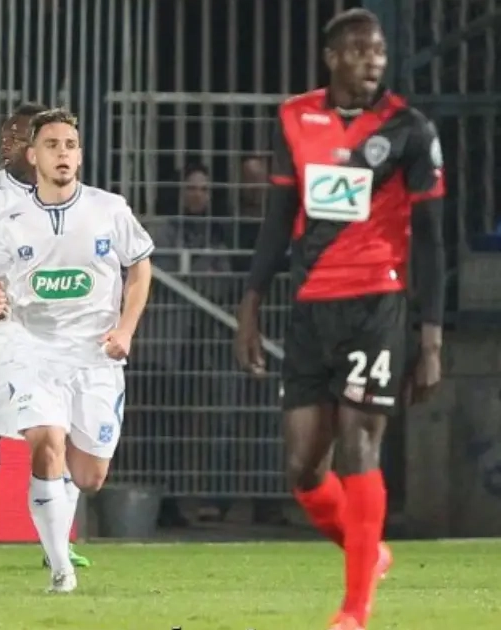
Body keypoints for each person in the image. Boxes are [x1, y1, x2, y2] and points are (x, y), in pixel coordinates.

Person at [233, 9, 445, 630]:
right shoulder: (295, 118)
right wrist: (251, 304)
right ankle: (368, 550)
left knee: (360, 444)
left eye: (378, 50)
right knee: (304, 468)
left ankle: (355, 611)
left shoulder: (409, 129)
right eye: (359, 50)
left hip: (376, 302)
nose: (373, 60)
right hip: (310, 308)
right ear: (332, 58)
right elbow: (278, 218)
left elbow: (432, 239)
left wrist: (430, 339)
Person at [0, 108, 154, 592]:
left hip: (96, 356)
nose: (63, 154)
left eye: (70, 145)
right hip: (34, 350)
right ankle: (60, 569)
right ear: (33, 156)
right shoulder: (11, 219)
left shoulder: (109, 209)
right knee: (46, 443)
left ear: (80, 155)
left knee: (90, 476)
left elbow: (140, 267)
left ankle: (60, 539)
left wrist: (126, 329)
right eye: (52, 145)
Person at [0, 102, 91, 569]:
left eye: (19, 134)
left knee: (59, 436)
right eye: (6, 134)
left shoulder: (74, 197)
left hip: (54, 334)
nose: (8, 142)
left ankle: (57, 544)